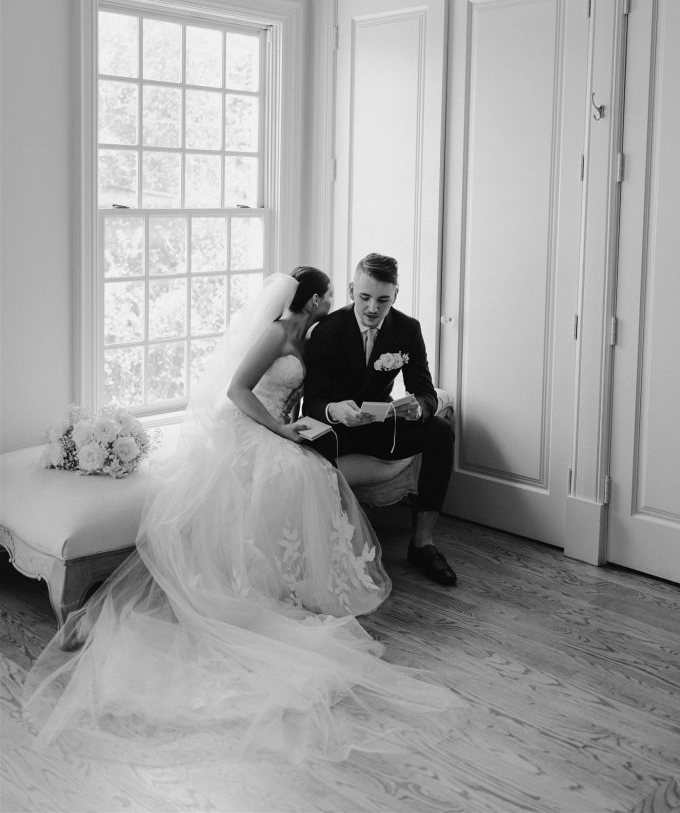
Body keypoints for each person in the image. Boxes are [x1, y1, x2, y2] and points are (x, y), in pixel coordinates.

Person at [23, 269, 456, 783]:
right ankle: (273, 582)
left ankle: (302, 571)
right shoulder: (281, 332)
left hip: (290, 427)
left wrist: (366, 410)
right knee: (302, 474)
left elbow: (316, 391)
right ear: (317, 299)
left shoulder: (317, 334)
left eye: (374, 298)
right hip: (252, 426)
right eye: (347, 295)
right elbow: (236, 390)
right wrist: (286, 426)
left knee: (314, 469)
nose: (353, 303)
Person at [303, 253, 457, 587]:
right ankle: (332, 551)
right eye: (365, 297)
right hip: (337, 431)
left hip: (380, 426)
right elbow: (312, 400)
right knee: (318, 444)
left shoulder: (408, 329)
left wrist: (420, 407)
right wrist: (333, 410)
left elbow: (425, 390)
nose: (373, 307)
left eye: (383, 300)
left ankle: (423, 544)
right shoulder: (326, 332)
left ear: (396, 295)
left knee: (440, 433)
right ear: (350, 290)